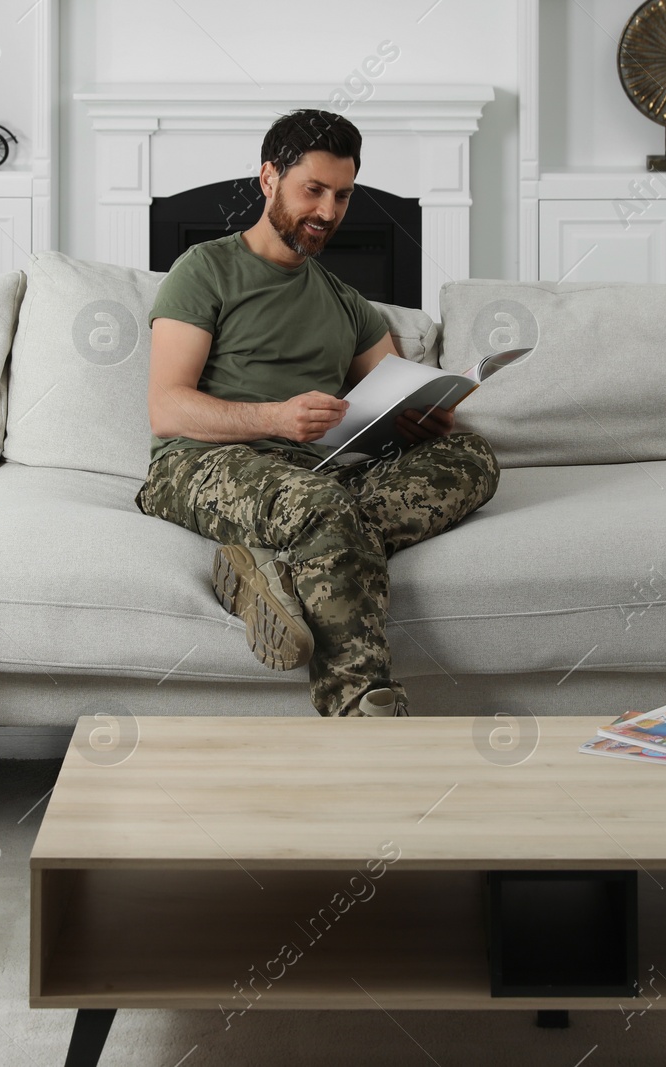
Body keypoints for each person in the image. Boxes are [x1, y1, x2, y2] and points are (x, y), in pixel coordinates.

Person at [132, 108, 500, 719]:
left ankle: (276, 571)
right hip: (200, 464)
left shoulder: (348, 304)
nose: (328, 211)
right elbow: (166, 407)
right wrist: (275, 418)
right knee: (325, 508)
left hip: (316, 473)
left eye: (343, 196)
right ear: (268, 178)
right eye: (314, 190)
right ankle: (361, 703)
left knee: (471, 456)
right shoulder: (206, 269)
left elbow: (390, 393)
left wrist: (423, 420)